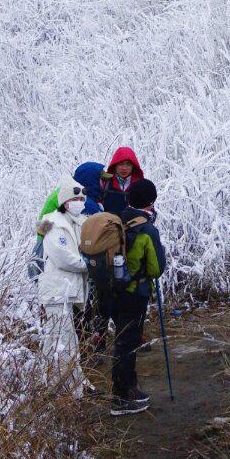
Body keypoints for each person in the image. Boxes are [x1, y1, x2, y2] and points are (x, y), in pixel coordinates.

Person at [110, 179, 167, 416]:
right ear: (150, 201)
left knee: (122, 340)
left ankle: (124, 390)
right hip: (135, 293)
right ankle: (124, 396)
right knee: (128, 343)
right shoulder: (146, 229)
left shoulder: (117, 220)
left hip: (115, 290)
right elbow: (156, 269)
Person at [37, 179, 90, 393]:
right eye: (75, 198)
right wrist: (88, 265)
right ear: (65, 202)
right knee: (62, 340)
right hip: (57, 291)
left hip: (68, 290)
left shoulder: (78, 222)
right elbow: (63, 258)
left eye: (82, 199)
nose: (79, 202)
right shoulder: (54, 223)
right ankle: (67, 389)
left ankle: (62, 385)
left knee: (61, 339)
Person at [102, 147, 144, 218]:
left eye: (128, 164)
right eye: (120, 164)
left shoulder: (140, 185)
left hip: (133, 227)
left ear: (133, 166)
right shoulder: (105, 183)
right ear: (115, 165)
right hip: (109, 226)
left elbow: (149, 210)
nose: (124, 168)